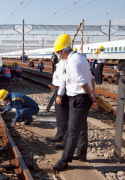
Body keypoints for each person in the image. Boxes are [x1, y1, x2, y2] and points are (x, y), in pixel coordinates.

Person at [52, 34, 98, 171]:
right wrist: (92, 93)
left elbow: (82, 81)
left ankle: (64, 160)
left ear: (61, 51)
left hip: (78, 98)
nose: (59, 56)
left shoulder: (71, 61)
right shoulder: (81, 58)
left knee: (72, 130)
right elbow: (92, 78)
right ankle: (82, 154)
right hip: (82, 98)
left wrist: (91, 95)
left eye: (58, 54)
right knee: (82, 127)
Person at [46, 57, 69, 150]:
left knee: (63, 115)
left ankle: (64, 139)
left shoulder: (66, 62)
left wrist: (60, 93)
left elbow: (64, 77)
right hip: (58, 88)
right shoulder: (61, 61)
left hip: (61, 89)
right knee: (59, 114)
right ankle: (59, 135)